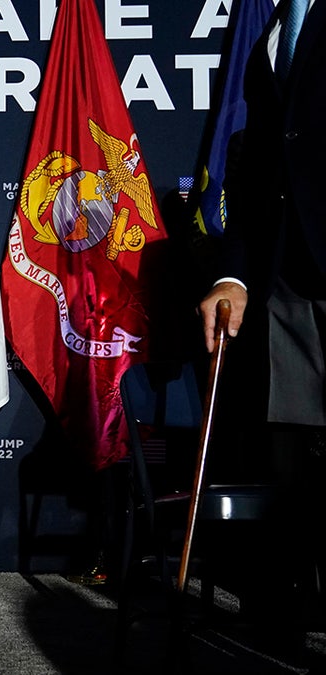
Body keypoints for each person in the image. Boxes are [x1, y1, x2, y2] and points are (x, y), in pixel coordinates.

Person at [198, 0, 325, 632]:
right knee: (287, 466)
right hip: (282, 288)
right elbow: (252, 183)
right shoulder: (267, 36)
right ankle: (284, 618)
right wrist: (232, 274)